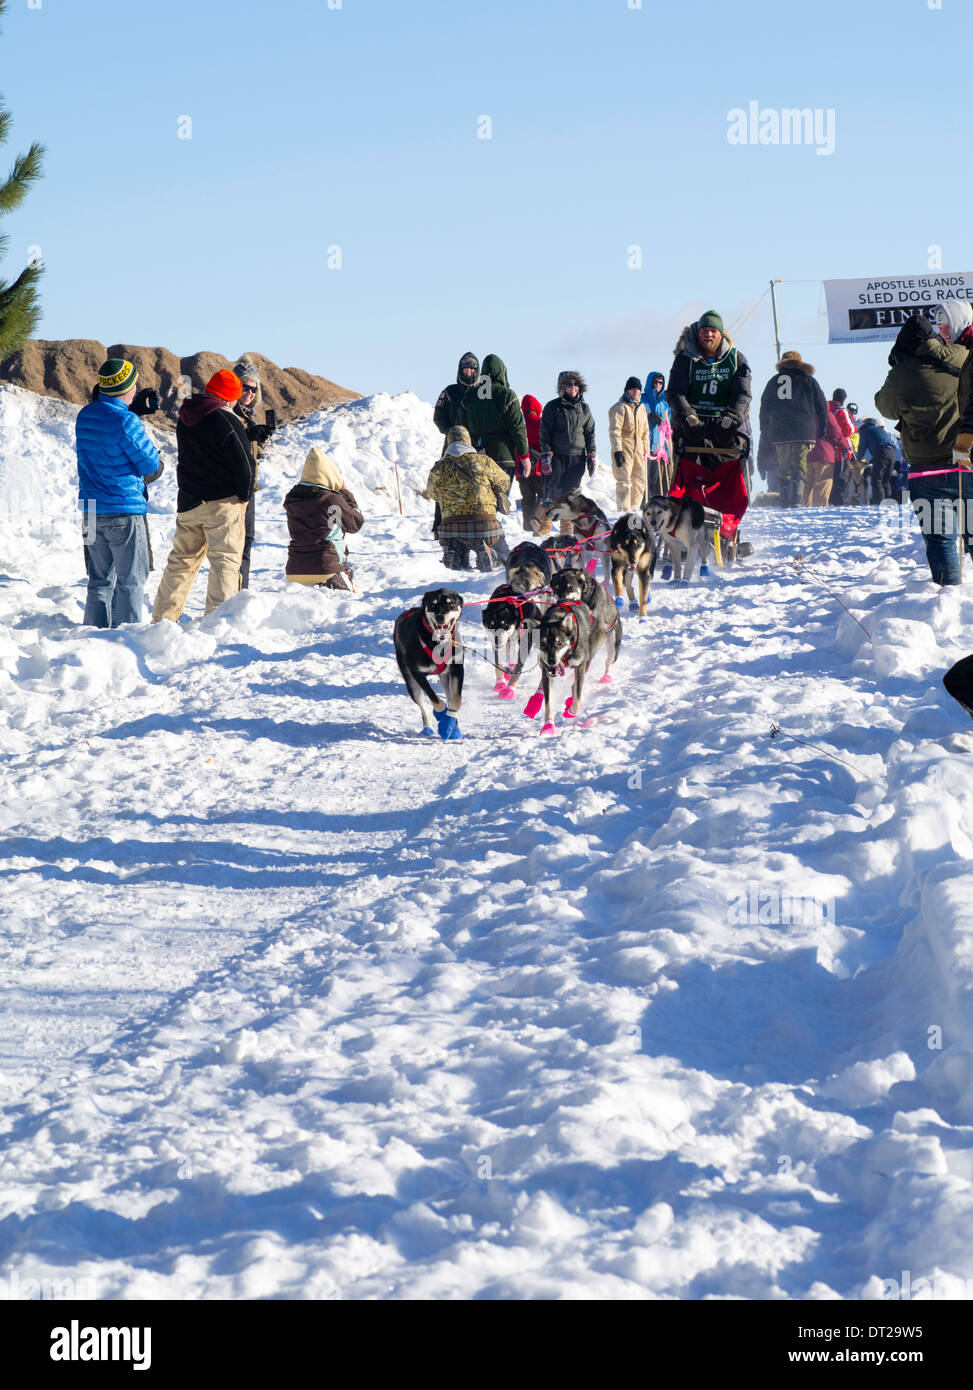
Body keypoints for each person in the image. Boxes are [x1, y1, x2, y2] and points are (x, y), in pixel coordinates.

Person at [876, 313, 972, 584]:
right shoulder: (962, 355)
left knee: (940, 537)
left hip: (925, 467)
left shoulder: (902, 372)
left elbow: (886, 408)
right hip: (966, 460)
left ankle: (947, 596)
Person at [151, 369, 254, 621]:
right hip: (222, 503)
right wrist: (244, 496)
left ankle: (162, 620)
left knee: (180, 564)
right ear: (229, 397)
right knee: (225, 564)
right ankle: (218, 623)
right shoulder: (227, 419)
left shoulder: (187, 416)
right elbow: (244, 466)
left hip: (189, 502)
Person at [75, 358, 161, 628]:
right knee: (131, 581)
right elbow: (150, 464)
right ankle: (127, 640)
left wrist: (128, 411)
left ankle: (93, 635)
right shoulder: (126, 421)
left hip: (90, 508)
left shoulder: (85, 415)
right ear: (129, 386)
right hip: (123, 508)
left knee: (99, 580)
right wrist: (133, 416)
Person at [666, 311, 752, 548]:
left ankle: (726, 528)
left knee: (730, 475)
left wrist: (733, 417)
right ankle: (683, 528)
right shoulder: (686, 359)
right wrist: (687, 416)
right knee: (688, 477)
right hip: (693, 427)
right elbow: (675, 392)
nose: (709, 335)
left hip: (725, 427)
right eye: (705, 330)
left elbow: (743, 393)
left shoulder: (736, 359)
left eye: (713, 331)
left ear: (720, 334)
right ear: (698, 333)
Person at [425, 425, 511, 571]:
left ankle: (455, 551)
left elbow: (432, 494)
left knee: (457, 541)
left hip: (450, 528)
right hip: (485, 525)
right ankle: (492, 554)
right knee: (506, 557)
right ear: (468, 441)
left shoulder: (439, 467)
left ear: (448, 443)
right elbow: (505, 482)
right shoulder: (484, 461)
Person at [283, 448, 363, 590]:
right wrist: (345, 492)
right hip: (327, 569)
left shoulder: (292, 498)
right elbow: (355, 523)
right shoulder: (332, 498)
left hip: (295, 570)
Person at [757, 350, 828, 507]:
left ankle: (784, 498)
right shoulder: (809, 380)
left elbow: (765, 405)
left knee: (783, 463)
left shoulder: (773, 381)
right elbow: (821, 405)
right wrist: (823, 425)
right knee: (800, 462)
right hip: (804, 429)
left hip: (780, 430)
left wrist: (763, 427)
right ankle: (797, 497)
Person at [457, 354, 530, 488]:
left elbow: (461, 428)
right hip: (504, 456)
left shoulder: (470, 396)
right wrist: (524, 455)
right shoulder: (507, 395)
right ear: (502, 371)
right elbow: (517, 428)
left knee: (483, 498)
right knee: (500, 497)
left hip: (477, 455)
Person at [232, 359, 274, 589]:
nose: (248, 392)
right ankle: (232, 594)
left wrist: (261, 441)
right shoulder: (229, 414)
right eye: (244, 387)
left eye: (253, 388)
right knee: (233, 546)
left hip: (249, 487)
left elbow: (253, 456)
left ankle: (241, 591)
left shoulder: (249, 417)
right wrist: (249, 437)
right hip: (233, 489)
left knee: (247, 541)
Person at [539, 371, 596, 534]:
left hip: (577, 457)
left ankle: (566, 532)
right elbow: (545, 432)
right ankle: (543, 526)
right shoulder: (552, 407)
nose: (573, 387)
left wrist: (591, 455)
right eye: (569, 384)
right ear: (562, 388)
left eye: (575, 384)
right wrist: (546, 455)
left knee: (571, 496)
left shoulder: (584, 408)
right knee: (552, 491)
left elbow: (590, 432)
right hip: (557, 456)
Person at [608, 377, 650, 511]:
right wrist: (617, 450)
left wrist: (646, 451)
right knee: (624, 481)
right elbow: (615, 431)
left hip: (639, 450)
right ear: (627, 390)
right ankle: (623, 512)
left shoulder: (642, 408)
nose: (636, 391)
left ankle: (634, 510)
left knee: (640, 481)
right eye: (633, 388)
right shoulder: (620, 408)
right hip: (624, 448)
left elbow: (645, 432)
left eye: (638, 389)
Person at [805, 407, 844, 506]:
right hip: (824, 453)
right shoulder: (825, 412)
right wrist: (845, 446)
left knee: (808, 482)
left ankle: (805, 506)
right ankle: (819, 507)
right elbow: (835, 432)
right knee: (824, 480)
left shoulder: (804, 411)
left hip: (807, 452)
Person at [520, 393, 547, 535]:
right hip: (537, 468)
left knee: (527, 497)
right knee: (543, 495)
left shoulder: (518, 423)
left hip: (521, 468)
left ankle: (526, 524)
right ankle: (536, 519)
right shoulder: (540, 422)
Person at [434, 352, 479, 436]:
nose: (469, 371)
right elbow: (438, 417)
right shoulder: (449, 392)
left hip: (478, 444)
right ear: (461, 370)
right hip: (454, 443)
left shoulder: (483, 393)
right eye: (466, 368)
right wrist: (451, 432)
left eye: (472, 368)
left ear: (477, 370)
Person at [642, 370, 672, 494]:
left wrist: (668, 450)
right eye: (655, 382)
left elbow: (667, 430)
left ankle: (651, 507)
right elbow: (635, 418)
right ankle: (640, 507)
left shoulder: (664, 406)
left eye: (661, 383)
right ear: (650, 382)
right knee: (642, 481)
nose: (658, 385)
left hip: (657, 449)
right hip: (643, 447)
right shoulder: (641, 400)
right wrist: (648, 417)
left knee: (654, 482)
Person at [856, 416, 897, 503]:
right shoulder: (877, 429)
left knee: (876, 480)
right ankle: (888, 503)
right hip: (892, 452)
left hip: (881, 452)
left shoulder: (865, 430)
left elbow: (862, 448)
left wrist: (857, 459)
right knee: (886, 480)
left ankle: (879, 504)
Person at [827, 389, 856, 505]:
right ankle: (839, 502)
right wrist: (856, 428)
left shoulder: (827, 408)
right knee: (841, 477)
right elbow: (848, 430)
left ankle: (829, 500)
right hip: (841, 449)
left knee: (830, 477)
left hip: (827, 449)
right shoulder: (841, 411)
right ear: (844, 400)